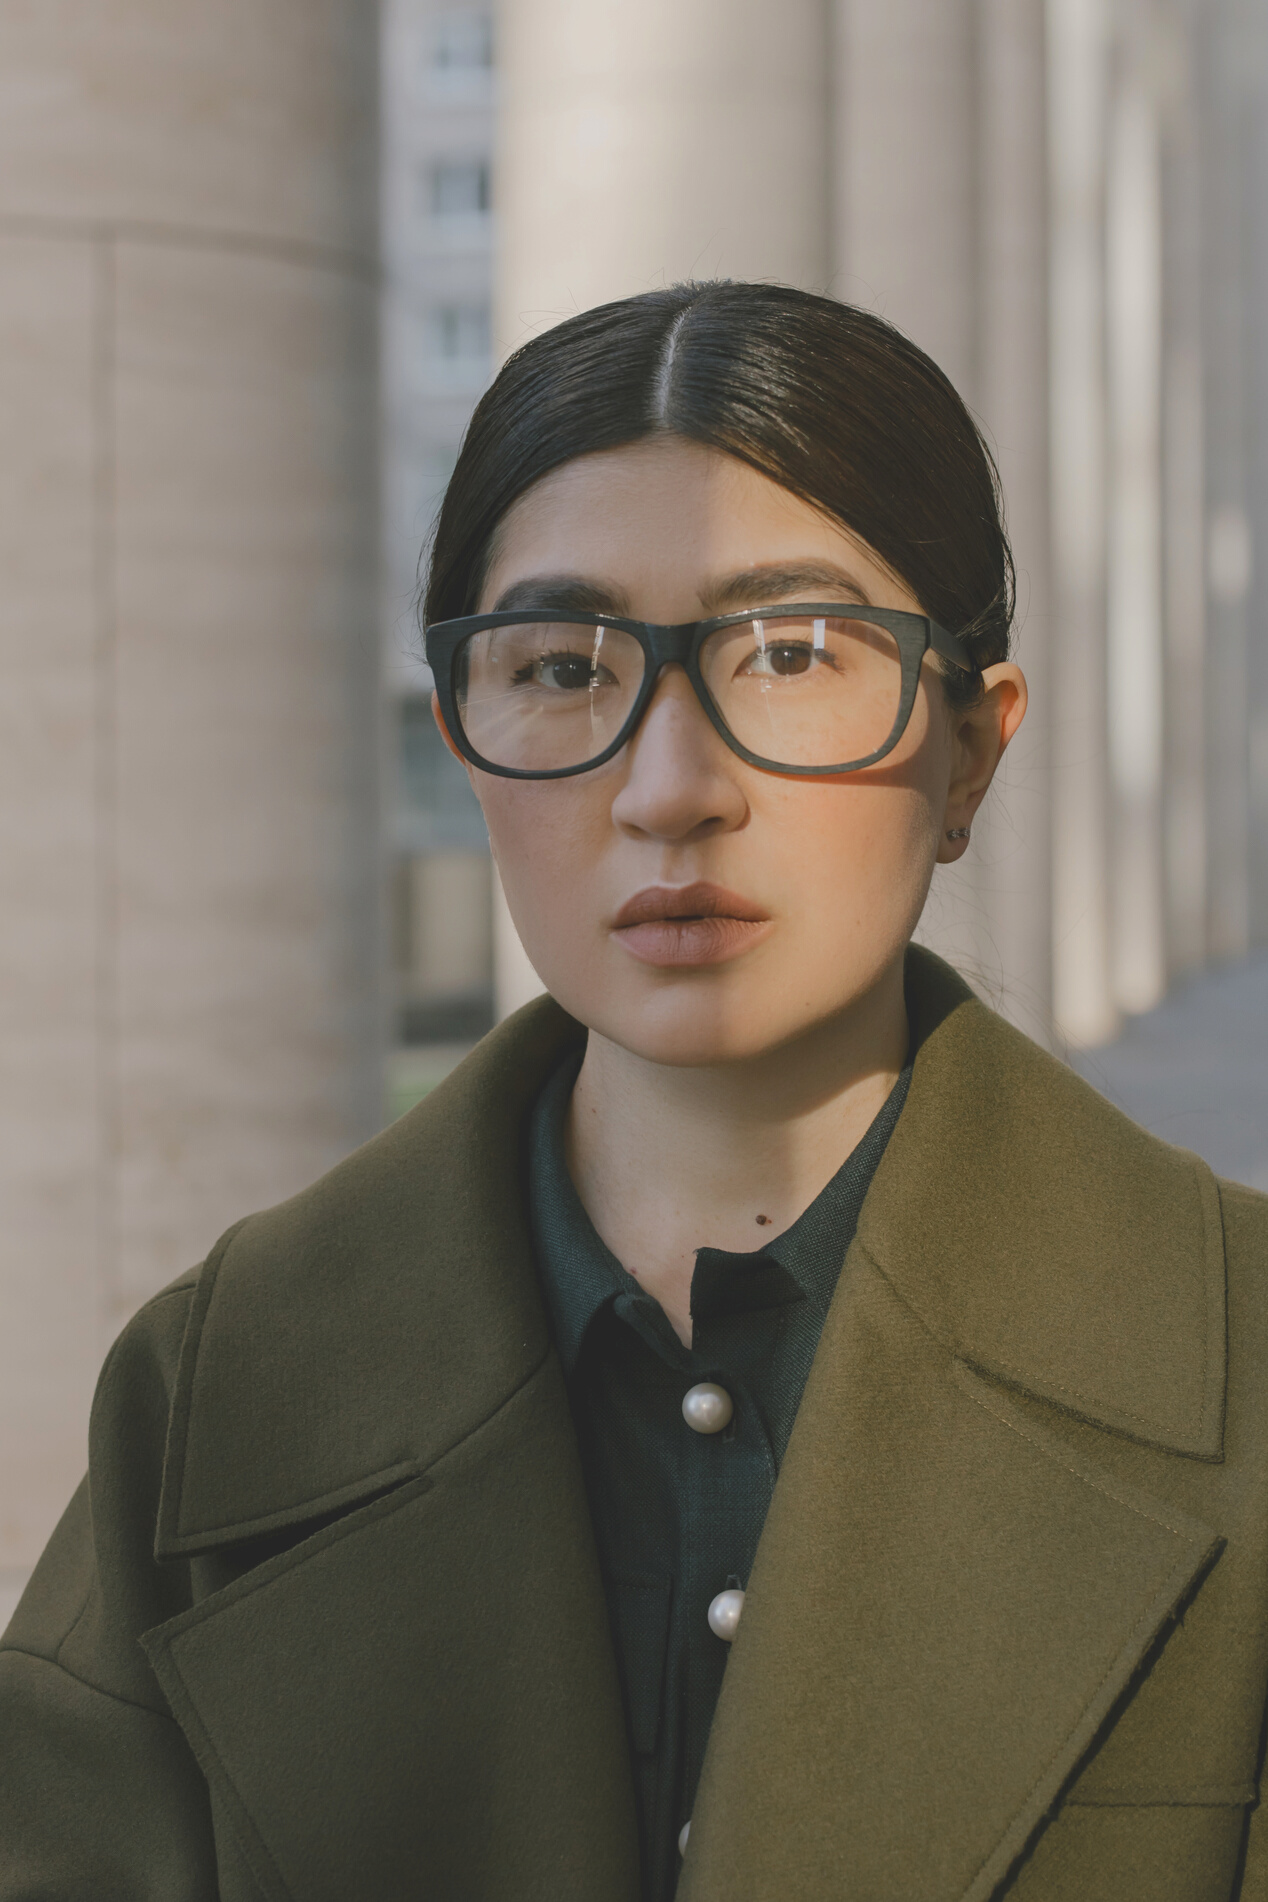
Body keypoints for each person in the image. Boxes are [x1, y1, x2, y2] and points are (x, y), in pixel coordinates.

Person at [2, 282, 1267, 1902]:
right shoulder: (214, 1388)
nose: (673, 789)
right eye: (563, 666)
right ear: (466, 740)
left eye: (795, 650)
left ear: (970, 750)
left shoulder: (1233, 1364)